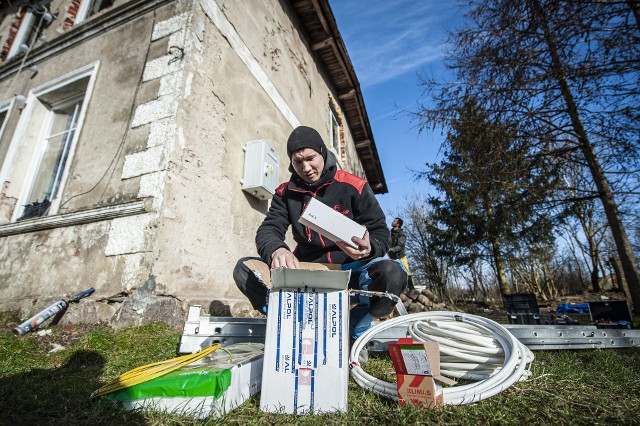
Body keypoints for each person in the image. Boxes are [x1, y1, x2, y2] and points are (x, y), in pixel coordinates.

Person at [233, 125, 407, 340]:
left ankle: (356, 326)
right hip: (307, 269)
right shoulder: (285, 193)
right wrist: (277, 250)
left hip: (352, 269)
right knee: (245, 269)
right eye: (298, 162)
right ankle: (290, 322)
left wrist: (370, 249)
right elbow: (269, 229)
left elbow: (380, 230)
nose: (305, 167)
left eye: (310, 158)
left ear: (322, 152)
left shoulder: (355, 186)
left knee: (392, 274)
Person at [388, 217, 414, 290]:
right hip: (391, 258)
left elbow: (400, 246)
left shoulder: (401, 234)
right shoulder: (389, 234)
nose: (392, 222)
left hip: (400, 257)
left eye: (394, 221)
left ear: (398, 224)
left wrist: (390, 249)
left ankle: (412, 289)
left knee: (407, 273)